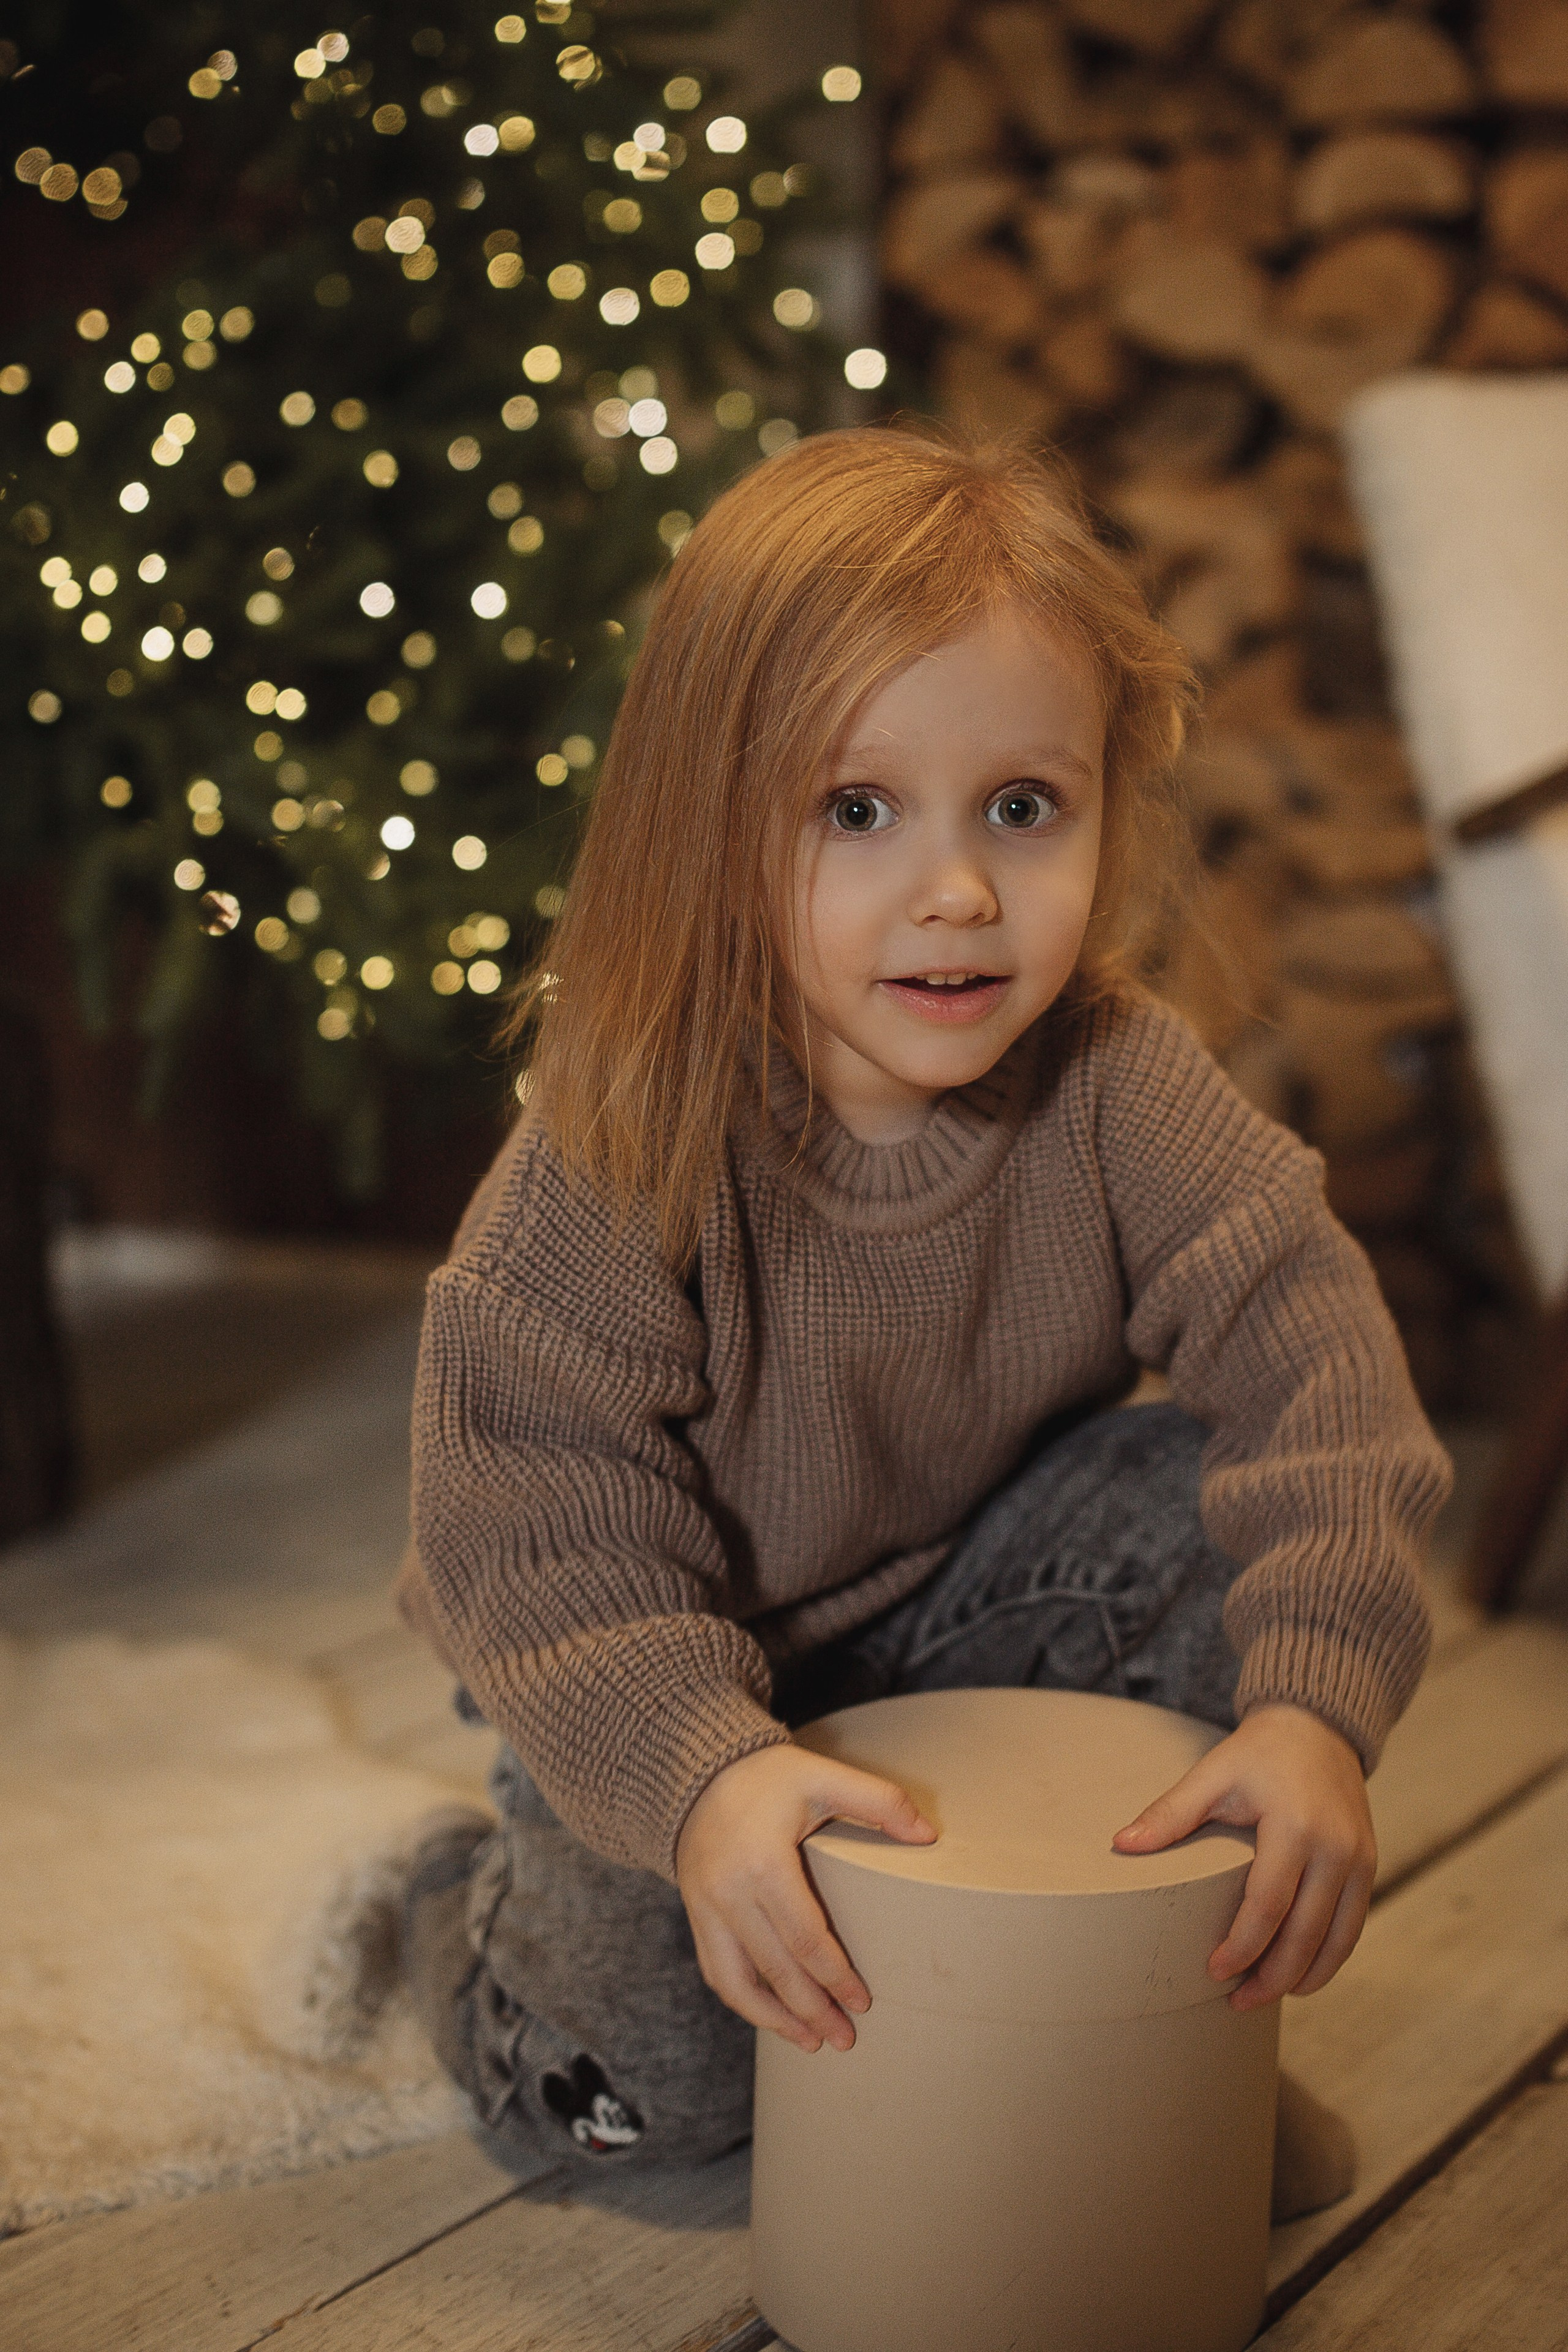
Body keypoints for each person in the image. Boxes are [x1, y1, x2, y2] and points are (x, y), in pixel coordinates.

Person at [396, 427, 1450, 2211]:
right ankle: (448, 1919)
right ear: (712, 823)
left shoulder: (1119, 1078)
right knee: (650, 2102)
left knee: (1204, 1505)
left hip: (967, 1606)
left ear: (1105, 804)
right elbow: (539, 1530)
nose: (959, 891)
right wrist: (705, 1779)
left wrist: (1313, 1714)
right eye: (860, 810)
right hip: (652, 1658)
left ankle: (1143, 2032)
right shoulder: (628, 1134)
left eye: (1021, 808)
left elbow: (1317, 1376)